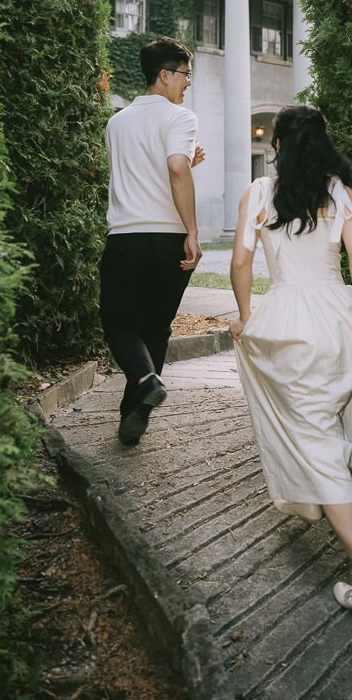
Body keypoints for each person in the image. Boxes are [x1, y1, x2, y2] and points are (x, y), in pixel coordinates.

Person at [229, 105, 352, 615]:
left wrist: (245, 314)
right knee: (322, 418)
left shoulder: (258, 193)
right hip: (333, 316)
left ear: (277, 147)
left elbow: (240, 261)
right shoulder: (340, 193)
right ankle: (329, 474)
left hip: (285, 320)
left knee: (313, 435)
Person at [99, 36, 204, 447]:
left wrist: (182, 163)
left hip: (126, 238)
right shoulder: (179, 118)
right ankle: (135, 409)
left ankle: (144, 382)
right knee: (155, 326)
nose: (188, 84)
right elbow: (175, 169)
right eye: (185, 75)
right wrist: (193, 232)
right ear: (164, 75)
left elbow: (136, 172)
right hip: (169, 241)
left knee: (119, 324)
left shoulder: (115, 122)